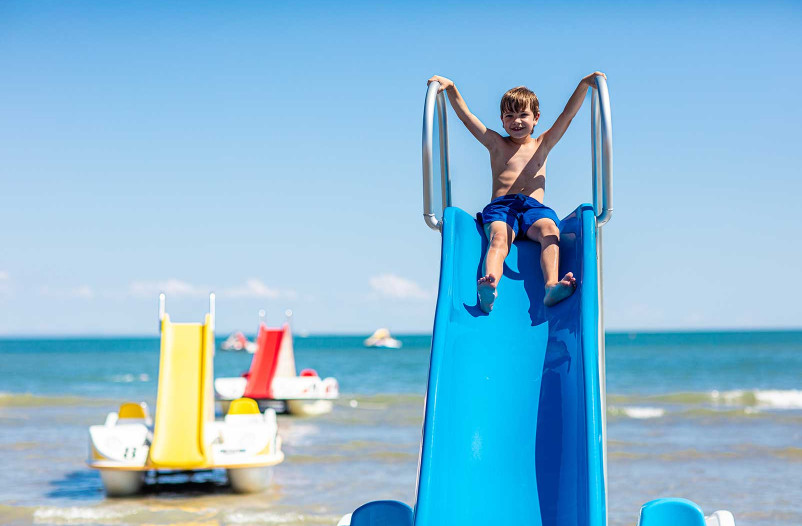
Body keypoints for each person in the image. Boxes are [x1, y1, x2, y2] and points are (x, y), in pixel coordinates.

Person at [428, 72, 606, 312]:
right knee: (499, 239)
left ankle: (551, 285)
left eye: (523, 115)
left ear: (536, 118)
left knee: (551, 232)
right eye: (509, 116)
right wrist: (452, 88)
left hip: (533, 209)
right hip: (502, 207)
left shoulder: (543, 144)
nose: (517, 121)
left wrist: (583, 85)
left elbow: (568, 115)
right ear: (502, 120)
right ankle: (489, 285)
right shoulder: (496, 144)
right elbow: (467, 117)